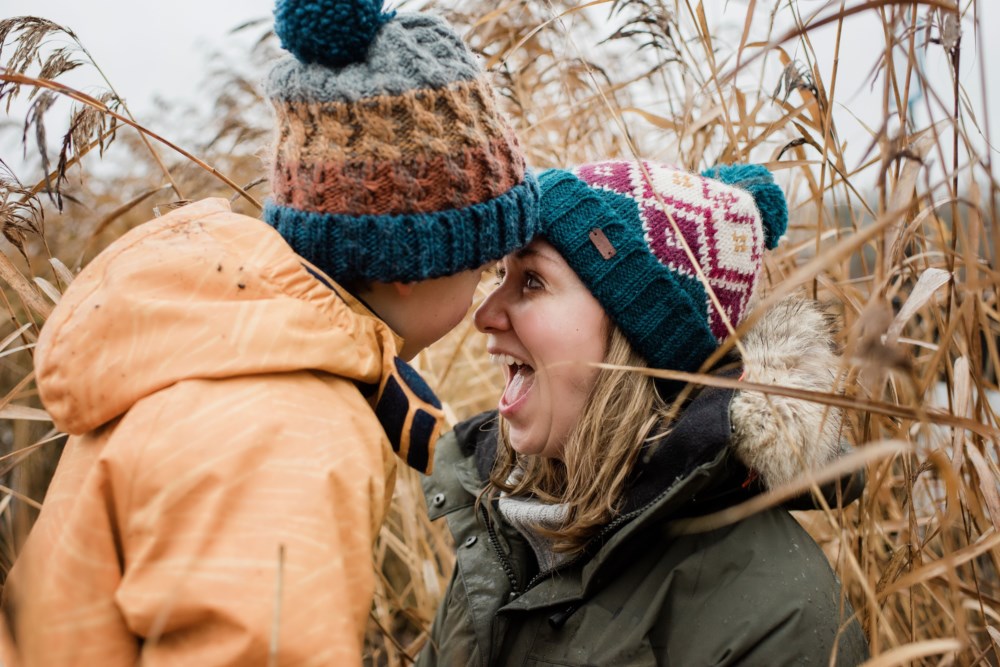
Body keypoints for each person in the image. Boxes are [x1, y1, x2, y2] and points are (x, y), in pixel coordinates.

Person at [0, 0, 539, 665]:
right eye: (485, 265)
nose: (487, 304)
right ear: (412, 262)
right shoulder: (291, 426)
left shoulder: (219, 354)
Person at [418, 161, 870, 665]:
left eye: (532, 282)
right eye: (500, 274)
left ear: (639, 338)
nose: (484, 315)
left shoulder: (781, 618)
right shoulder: (501, 522)